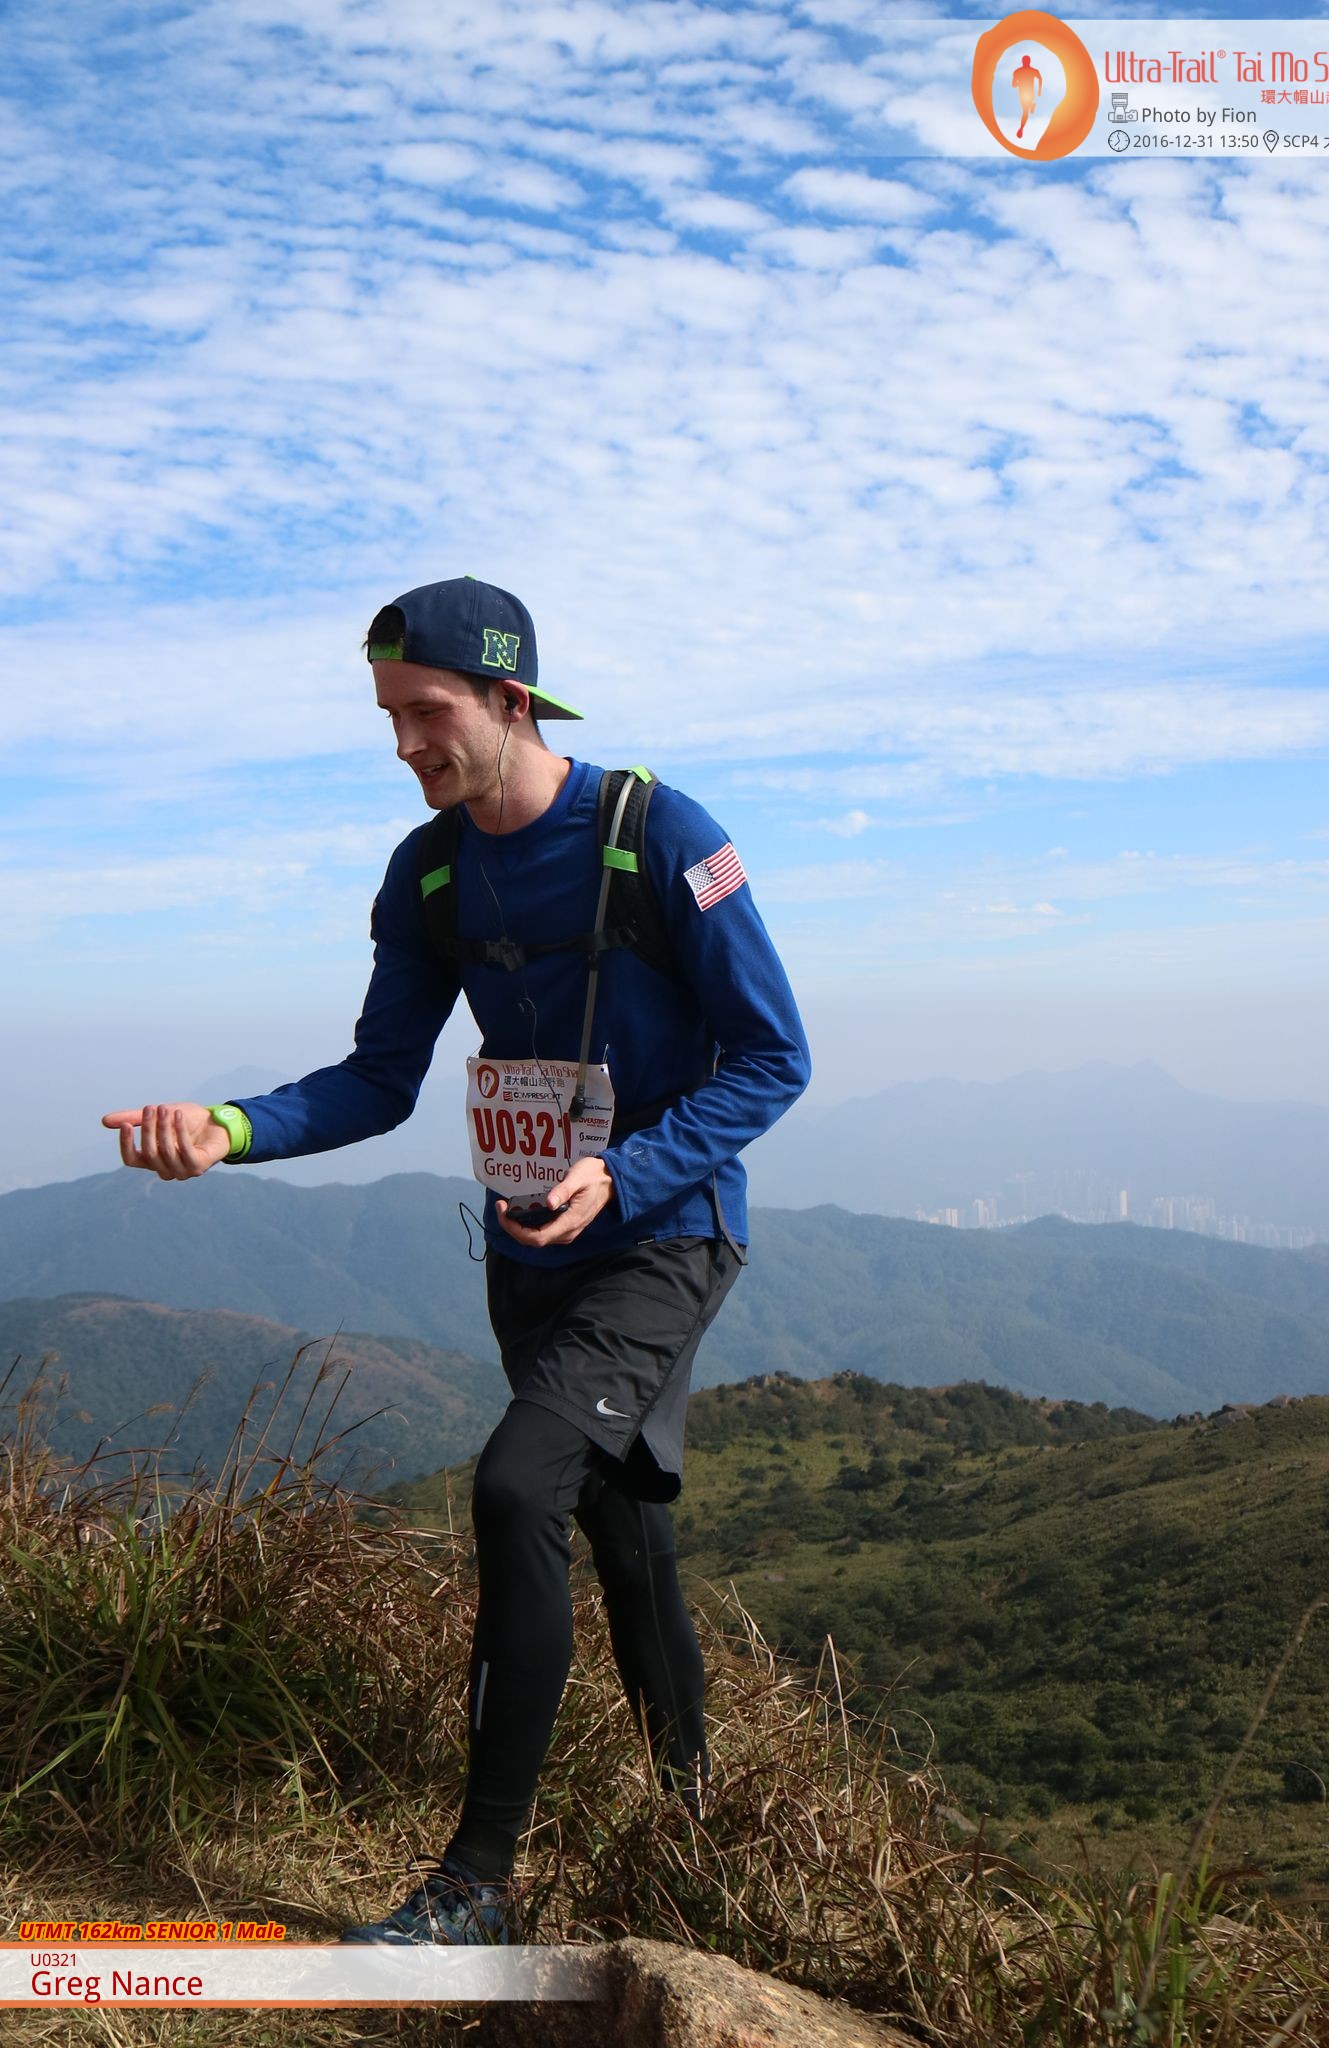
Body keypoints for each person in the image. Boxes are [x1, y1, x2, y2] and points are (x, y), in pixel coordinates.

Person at [102, 574, 811, 1946]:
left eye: (426, 712)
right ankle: (702, 1837)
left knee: (515, 1484)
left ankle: (476, 1881)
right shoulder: (427, 871)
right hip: (529, 1249)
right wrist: (226, 1127)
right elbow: (378, 1078)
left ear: (508, 696)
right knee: (625, 1532)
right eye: (389, 717)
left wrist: (630, 1171)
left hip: (664, 1237)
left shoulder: (662, 835)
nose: (405, 745)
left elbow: (774, 1055)